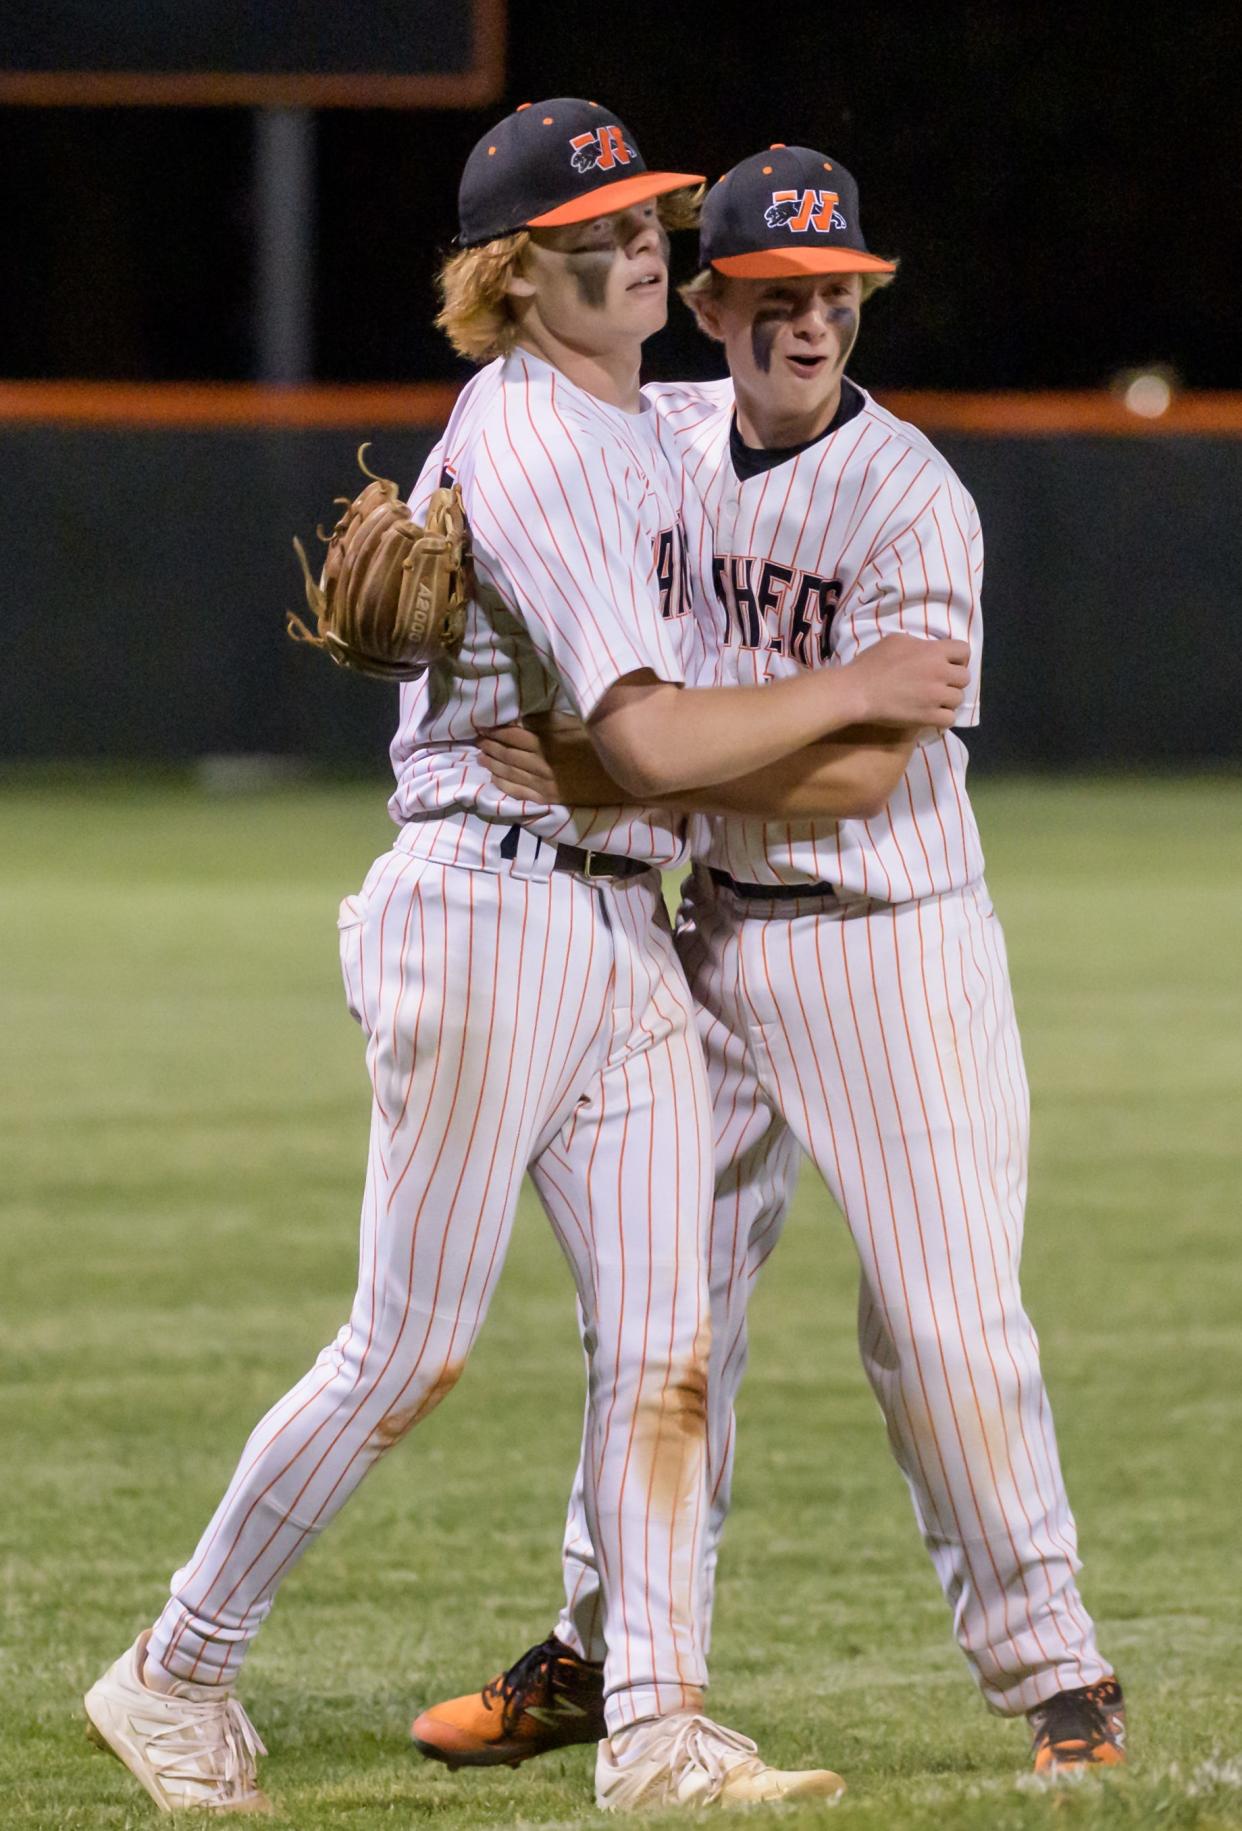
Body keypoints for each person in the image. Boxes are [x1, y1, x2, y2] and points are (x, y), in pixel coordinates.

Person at [84, 109, 968, 1815]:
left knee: (666, 1344)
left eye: (643, 219)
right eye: (592, 240)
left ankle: (655, 1736)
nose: (638, 248)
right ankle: (173, 1668)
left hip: (615, 922)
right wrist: (867, 686)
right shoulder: (552, 446)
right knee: (408, 1345)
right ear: (509, 281)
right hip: (490, 906)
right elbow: (643, 747)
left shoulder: (633, 413)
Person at [411, 143, 1126, 1782]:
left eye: (841, 296)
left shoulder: (910, 497)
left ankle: (1058, 1677)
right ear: (714, 299)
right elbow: (526, 482)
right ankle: (607, 1655)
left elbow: (863, 773)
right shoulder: (650, 434)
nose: (813, 327)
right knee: (664, 1324)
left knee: (939, 1331)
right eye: (781, 297)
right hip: (700, 939)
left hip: (890, 945)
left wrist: (621, 769)